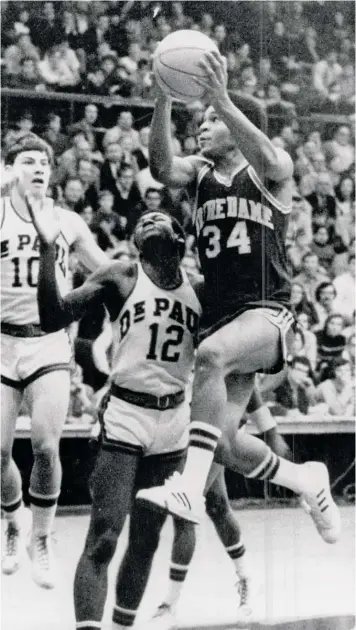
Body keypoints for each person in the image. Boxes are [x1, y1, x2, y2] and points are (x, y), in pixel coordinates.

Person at [137, 51, 341, 545]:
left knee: (209, 357)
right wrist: (163, 97)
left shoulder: (273, 170)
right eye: (202, 120)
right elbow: (162, 167)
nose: (202, 128)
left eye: (210, 121)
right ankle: (304, 478)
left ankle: (186, 485)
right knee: (225, 443)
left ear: (238, 123)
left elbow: (272, 157)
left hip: (268, 312)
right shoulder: (202, 173)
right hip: (225, 316)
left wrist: (222, 99)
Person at [31, 206, 201, 629]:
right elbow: (53, 316)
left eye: (160, 217)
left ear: (181, 239)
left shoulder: (202, 290)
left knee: (146, 540)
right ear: (135, 245)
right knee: (105, 536)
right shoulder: (120, 276)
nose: (149, 220)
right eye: (142, 221)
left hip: (175, 419)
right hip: (126, 413)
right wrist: (48, 251)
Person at [1, 133, 108, 589]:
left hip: (47, 343)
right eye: (28, 160)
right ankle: (12, 520)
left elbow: (106, 272)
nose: (39, 167)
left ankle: (41, 537)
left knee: (46, 445)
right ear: (11, 170)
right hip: (2, 342)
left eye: (44, 160)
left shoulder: (67, 222)